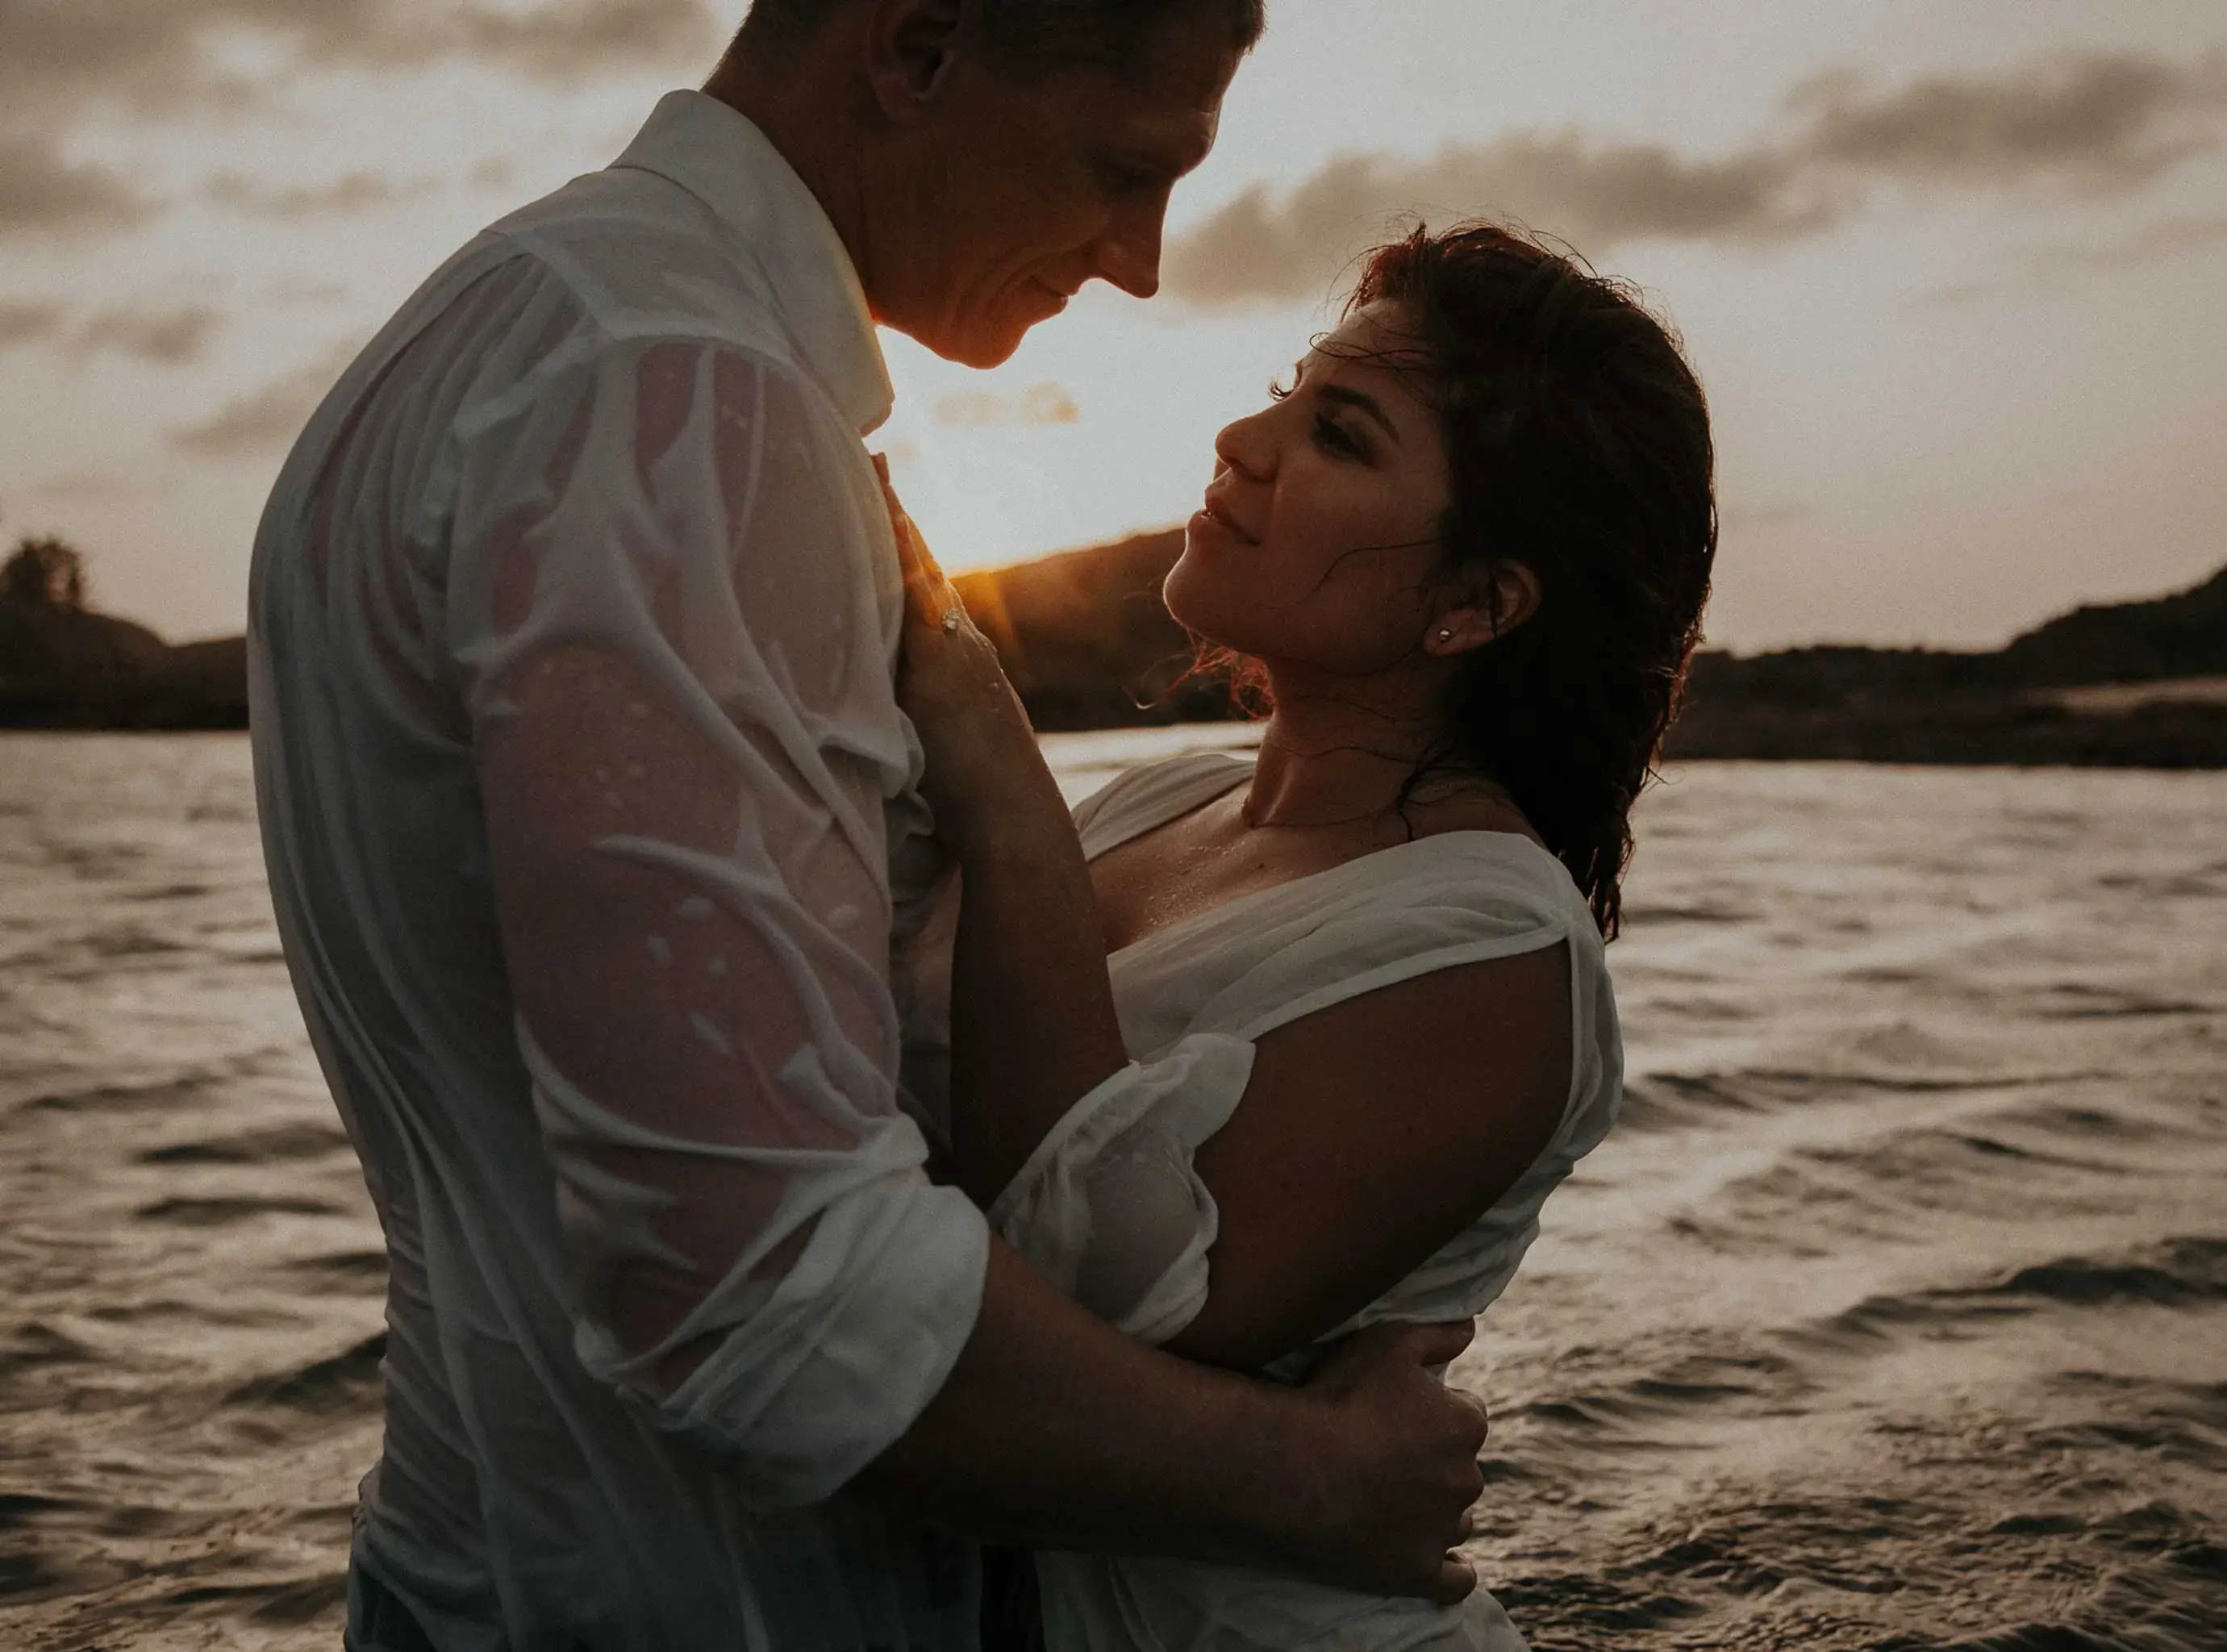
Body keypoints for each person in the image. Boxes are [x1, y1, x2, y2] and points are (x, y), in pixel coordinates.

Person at [246, 3, 1491, 1648]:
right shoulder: (673, 393)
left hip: (490, 1567)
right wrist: (1313, 1482)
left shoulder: (511, 321)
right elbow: (757, 1292)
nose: (1142, 261)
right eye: (1128, 168)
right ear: (915, 52)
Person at [884, 221, 1720, 1649]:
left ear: (1474, 605)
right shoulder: (1168, 801)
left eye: (1337, 431)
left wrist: (995, 767)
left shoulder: (1493, 948)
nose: (1242, 435)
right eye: (1287, 388)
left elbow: (1096, 1308)